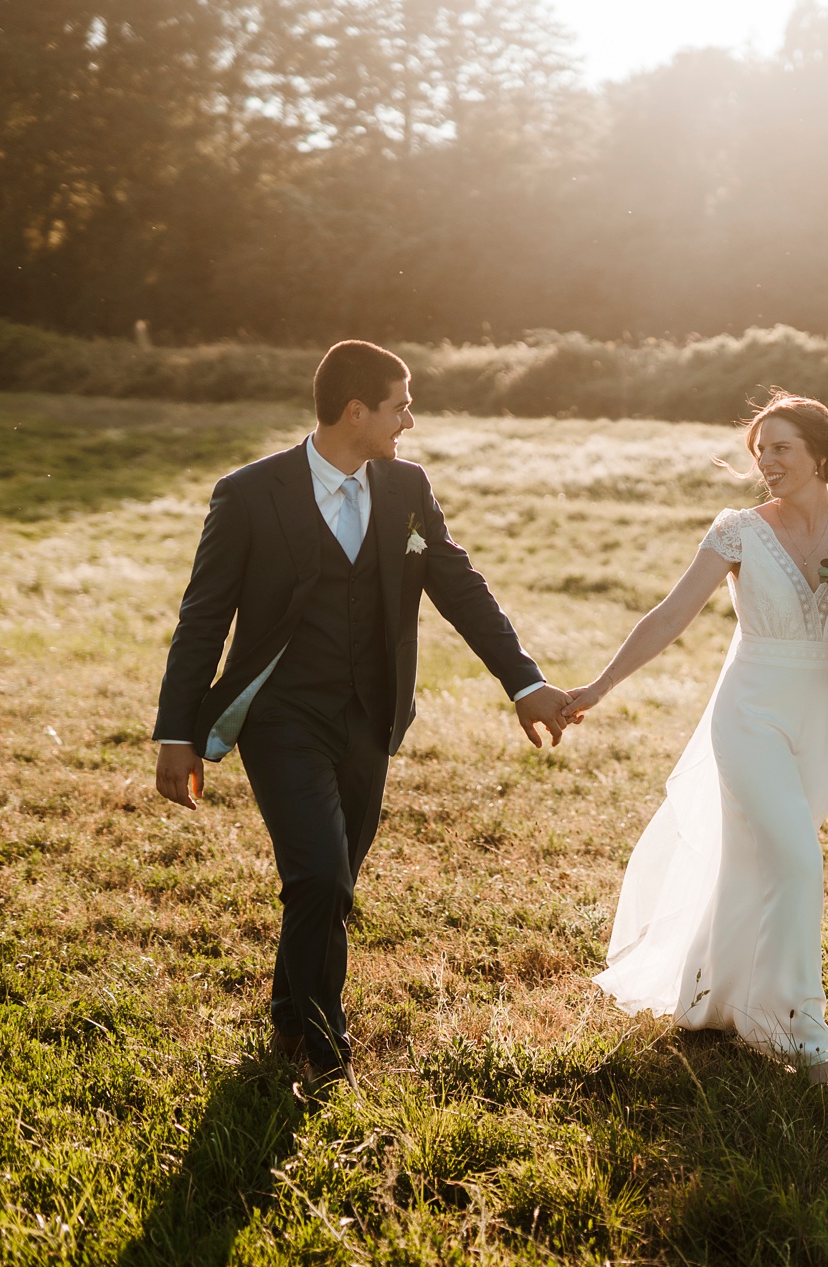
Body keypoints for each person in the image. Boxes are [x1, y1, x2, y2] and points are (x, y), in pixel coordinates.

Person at [151, 339, 574, 1086]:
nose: (408, 420)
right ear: (357, 411)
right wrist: (177, 732)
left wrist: (524, 682)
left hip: (371, 716)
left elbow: (460, 588)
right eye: (400, 405)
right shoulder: (249, 493)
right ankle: (323, 1047)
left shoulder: (406, 487)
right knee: (320, 876)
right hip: (281, 715)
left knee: (333, 877)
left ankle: (288, 1014)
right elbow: (204, 616)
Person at [565, 393, 828, 1085]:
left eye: (779, 448)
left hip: (821, 715)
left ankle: (718, 993)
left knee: (768, 858)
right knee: (802, 862)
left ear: (819, 452)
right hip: (749, 712)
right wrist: (596, 687)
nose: (766, 462)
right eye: (759, 450)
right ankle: (804, 1032)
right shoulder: (738, 530)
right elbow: (669, 616)